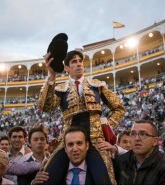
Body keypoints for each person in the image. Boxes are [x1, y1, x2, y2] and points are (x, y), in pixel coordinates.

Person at [38, 50, 125, 184]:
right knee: (46, 179)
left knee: (106, 180)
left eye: (80, 61)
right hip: (69, 141)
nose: (79, 64)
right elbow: (46, 107)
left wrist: (105, 127)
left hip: (96, 140)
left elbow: (119, 108)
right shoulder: (61, 88)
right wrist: (52, 76)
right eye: (74, 62)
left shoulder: (97, 85)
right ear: (67, 68)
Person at [113, 120, 165, 184]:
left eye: (143, 134)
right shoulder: (120, 161)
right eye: (133, 134)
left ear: (155, 141)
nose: (137, 138)